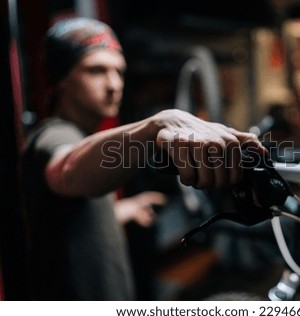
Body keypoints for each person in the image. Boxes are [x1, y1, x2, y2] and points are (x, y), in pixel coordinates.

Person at [22, 17, 265, 300]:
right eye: (96, 70)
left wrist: (121, 210)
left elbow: (65, 210)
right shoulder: (53, 136)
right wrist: (157, 127)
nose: (113, 84)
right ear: (61, 79)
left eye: (119, 72)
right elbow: (66, 170)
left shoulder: (82, 137)